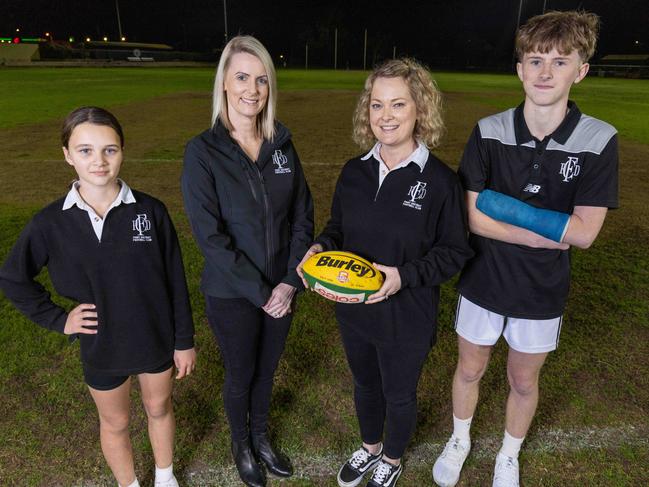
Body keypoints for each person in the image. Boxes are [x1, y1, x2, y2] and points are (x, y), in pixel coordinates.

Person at [432, 11, 618, 487]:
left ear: (581, 70)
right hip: (484, 279)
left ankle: (508, 454)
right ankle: (460, 439)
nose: (545, 73)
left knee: (522, 380)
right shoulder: (489, 130)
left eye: (560, 62)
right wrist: (542, 232)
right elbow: (472, 217)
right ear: (519, 68)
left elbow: (585, 232)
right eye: (535, 61)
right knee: (469, 370)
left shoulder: (598, 139)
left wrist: (507, 212)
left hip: (541, 290)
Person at [298, 58, 473, 487]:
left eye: (398, 104)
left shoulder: (440, 182)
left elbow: (454, 252)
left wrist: (403, 276)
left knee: (398, 393)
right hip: (355, 309)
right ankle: (370, 448)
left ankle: (391, 460)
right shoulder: (354, 171)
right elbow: (338, 227)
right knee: (364, 385)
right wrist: (320, 248)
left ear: (420, 110)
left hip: (407, 313)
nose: (386, 116)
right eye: (377, 105)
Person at [0, 106, 196, 487]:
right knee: (116, 421)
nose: (100, 161)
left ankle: (165, 477)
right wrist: (60, 319)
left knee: (158, 407)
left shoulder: (150, 211)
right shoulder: (50, 222)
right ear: (67, 155)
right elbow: (13, 277)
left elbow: (175, 280)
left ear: (123, 151)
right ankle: (128, 484)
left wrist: (184, 341)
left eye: (110, 149)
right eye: (86, 150)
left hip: (153, 334)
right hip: (100, 344)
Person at [181, 35, 314, 487]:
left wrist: (289, 282)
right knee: (241, 373)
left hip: (282, 287)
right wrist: (262, 293)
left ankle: (261, 436)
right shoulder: (202, 152)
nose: (252, 89)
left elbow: (303, 215)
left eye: (261, 79)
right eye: (241, 77)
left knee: (267, 370)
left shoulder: (282, 143)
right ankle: (241, 443)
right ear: (223, 83)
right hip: (233, 292)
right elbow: (210, 238)